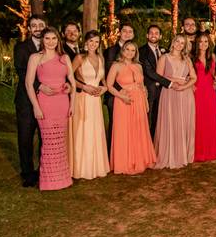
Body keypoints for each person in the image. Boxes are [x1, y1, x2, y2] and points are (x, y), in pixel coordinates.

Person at [25, 27, 76, 190]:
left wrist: (72, 103)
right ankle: (48, 181)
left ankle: (62, 179)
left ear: (58, 40)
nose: (51, 42)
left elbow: (72, 81)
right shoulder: (35, 57)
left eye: (54, 38)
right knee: (48, 142)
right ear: (42, 40)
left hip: (62, 103)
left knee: (60, 143)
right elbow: (29, 84)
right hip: (45, 103)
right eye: (47, 38)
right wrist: (36, 107)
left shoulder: (64, 57)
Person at [106, 40, 156, 174]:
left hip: (139, 100)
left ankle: (140, 159)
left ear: (136, 53)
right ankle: (125, 162)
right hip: (123, 101)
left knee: (138, 129)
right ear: (123, 50)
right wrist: (122, 97)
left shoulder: (138, 66)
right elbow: (109, 86)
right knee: (124, 130)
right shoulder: (116, 66)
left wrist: (145, 99)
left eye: (133, 50)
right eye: (127, 49)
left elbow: (142, 85)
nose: (129, 52)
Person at [70, 30, 109, 180]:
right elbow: (69, 77)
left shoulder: (101, 58)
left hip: (95, 101)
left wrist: (104, 88)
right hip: (83, 98)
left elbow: (103, 80)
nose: (93, 44)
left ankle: (96, 166)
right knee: (83, 131)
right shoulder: (79, 58)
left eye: (96, 41)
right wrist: (84, 87)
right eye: (91, 41)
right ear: (86, 42)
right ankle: (82, 168)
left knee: (95, 130)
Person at [153, 35, 196, 169]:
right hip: (169, 93)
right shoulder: (164, 58)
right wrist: (173, 81)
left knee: (183, 123)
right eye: (177, 41)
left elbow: (194, 77)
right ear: (173, 42)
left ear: (184, 46)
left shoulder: (187, 59)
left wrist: (184, 86)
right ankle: (169, 154)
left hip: (185, 94)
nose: (179, 44)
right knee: (170, 122)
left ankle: (182, 154)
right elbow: (158, 77)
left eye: (182, 43)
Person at [14, 15, 46, 187]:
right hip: (26, 101)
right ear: (29, 28)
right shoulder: (21, 47)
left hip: (47, 100)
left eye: (41, 25)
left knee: (44, 137)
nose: (38, 28)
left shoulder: (51, 45)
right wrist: (40, 86)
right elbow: (21, 72)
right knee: (25, 137)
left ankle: (43, 170)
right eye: (34, 25)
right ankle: (27, 173)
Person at [104, 23, 135, 149]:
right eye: (124, 31)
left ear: (133, 35)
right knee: (116, 126)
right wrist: (121, 91)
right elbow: (108, 74)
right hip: (115, 95)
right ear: (119, 33)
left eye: (130, 31)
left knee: (130, 126)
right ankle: (114, 153)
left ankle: (128, 150)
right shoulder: (111, 51)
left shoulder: (134, 51)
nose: (127, 34)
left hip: (132, 95)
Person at [139, 25, 172, 137]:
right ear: (147, 35)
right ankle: (146, 141)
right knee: (147, 117)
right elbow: (149, 72)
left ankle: (156, 141)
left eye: (156, 33)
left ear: (160, 36)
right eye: (151, 33)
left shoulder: (165, 51)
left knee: (159, 118)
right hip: (149, 90)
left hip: (164, 91)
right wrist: (169, 83)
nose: (154, 35)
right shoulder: (142, 51)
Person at [193, 32, 216, 162]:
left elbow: (213, 74)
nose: (203, 44)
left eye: (205, 41)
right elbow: (188, 75)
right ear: (197, 44)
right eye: (200, 42)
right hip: (197, 92)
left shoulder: (212, 57)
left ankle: (211, 150)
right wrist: (191, 86)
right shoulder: (191, 58)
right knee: (198, 120)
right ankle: (198, 151)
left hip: (210, 92)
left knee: (210, 120)